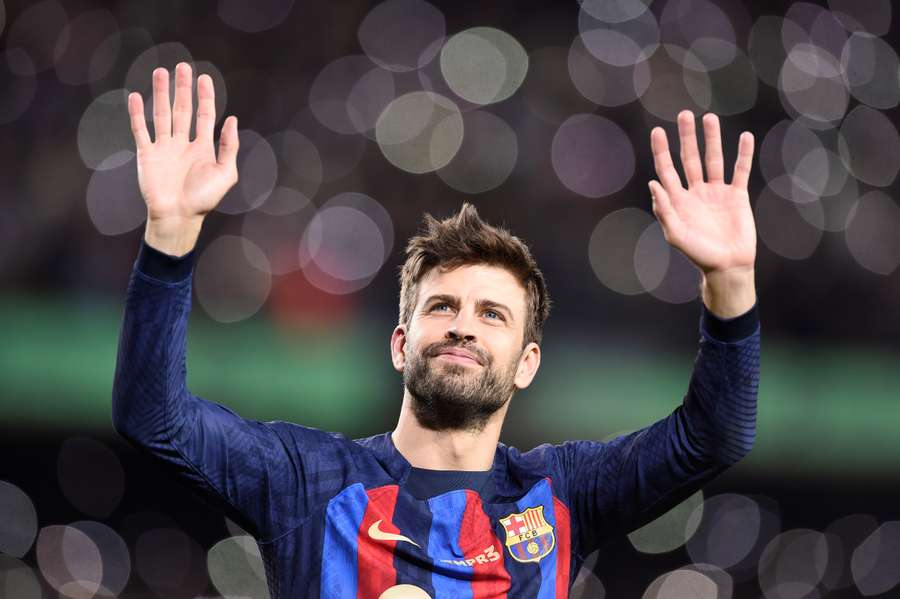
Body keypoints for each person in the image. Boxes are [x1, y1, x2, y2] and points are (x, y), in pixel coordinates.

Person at [113, 62, 759, 598]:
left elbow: (714, 436)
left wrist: (730, 280)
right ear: (401, 342)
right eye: (442, 306)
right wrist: (169, 237)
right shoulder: (308, 480)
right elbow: (154, 419)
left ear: (527, 361)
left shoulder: (562, 496)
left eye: (492, 313)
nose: (463, 328)